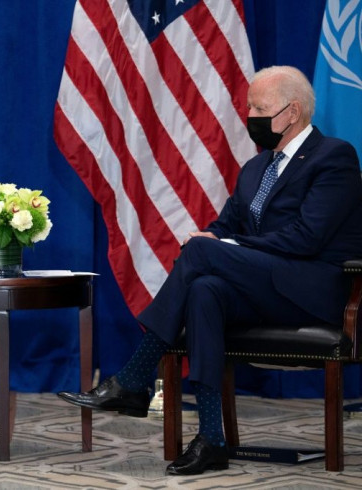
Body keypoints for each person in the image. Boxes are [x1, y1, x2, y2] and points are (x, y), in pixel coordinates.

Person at [58, 65, 362, 475]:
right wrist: (211, 237)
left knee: (203, 255)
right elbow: (227, 226)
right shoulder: (256, 168)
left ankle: (133, 378)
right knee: (204, 289)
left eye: (260, 107)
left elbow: (307, 238)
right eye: (249, 105)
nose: (250, 115)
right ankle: (211, 439)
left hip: (309, 291)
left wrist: (221, 246)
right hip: (263, 286)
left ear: (292, 112)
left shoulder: (334, 156)